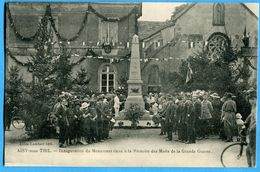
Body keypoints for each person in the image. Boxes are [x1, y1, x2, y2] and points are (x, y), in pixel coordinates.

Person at [245, 89, 256, 167]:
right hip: (252, 131)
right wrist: (245, 121)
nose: (251, 101)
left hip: (255, 131)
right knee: (248, 151)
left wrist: (251, 128)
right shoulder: (254, 107)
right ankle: (250, 167)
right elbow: (251, 115)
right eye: (250, 99)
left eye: (253, 99)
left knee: (254, 151)